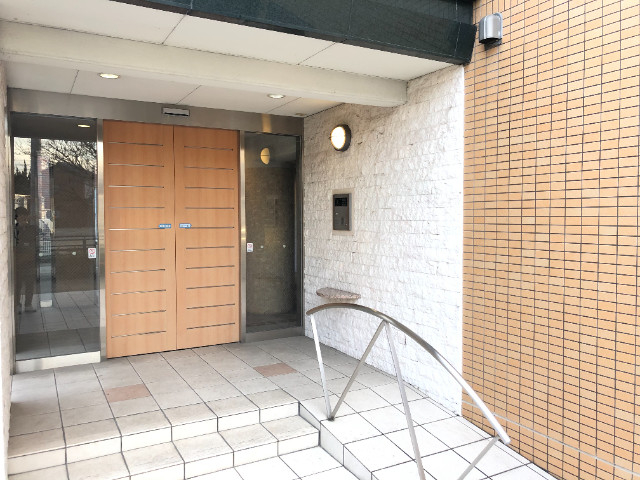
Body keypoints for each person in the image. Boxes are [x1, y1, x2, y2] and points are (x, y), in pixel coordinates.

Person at [15, 206, 37, 313]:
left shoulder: (32, 228)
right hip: (18, 261)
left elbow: (35, 241)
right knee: (17, 284)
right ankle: (17, 304)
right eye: (20, 215)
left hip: (30, 260)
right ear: (16, 217)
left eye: (24, 215)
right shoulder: (14, 229)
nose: (23, 217)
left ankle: (28, 304)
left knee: (29, 283)